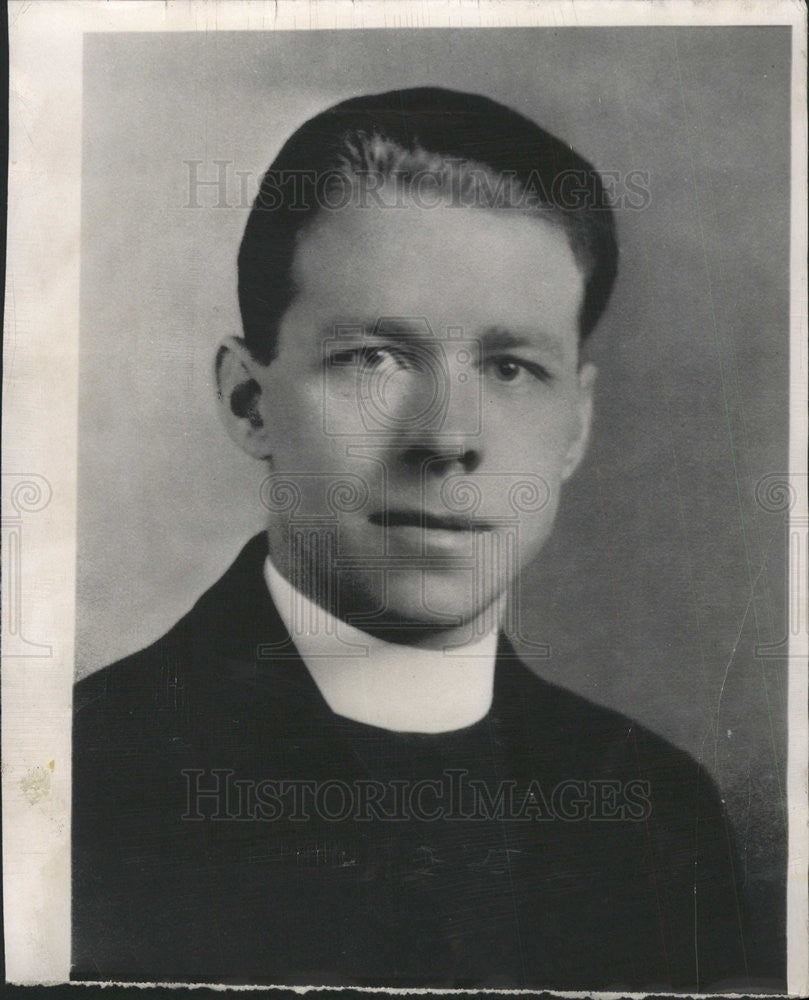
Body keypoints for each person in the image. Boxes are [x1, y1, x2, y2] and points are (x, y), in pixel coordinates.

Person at [72, 87, 757, 989]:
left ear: (576, 426)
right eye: (375, 358)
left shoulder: (661, 818)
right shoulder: (79, 783)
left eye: (512, 367)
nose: (446, 437)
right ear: (250, 400)